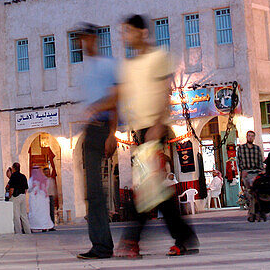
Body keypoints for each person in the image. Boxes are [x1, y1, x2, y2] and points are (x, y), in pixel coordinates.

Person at [116, 14, 198, 258]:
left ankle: (131, 240)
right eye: (123, 32)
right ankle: (185, 238)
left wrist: (159, 124)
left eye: (128, 31)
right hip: (140, 132)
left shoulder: (158, 58)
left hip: (154, 128)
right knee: (155, 191)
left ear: (142, 33)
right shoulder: (129, 66)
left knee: (146, 188)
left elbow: (165, 92)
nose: (125, 37)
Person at [73, 23, 117, 259]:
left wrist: (112, 133)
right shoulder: (88, 69)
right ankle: (100, 243)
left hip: (101, 128)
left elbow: (116, 99)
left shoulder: (107, 65)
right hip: (91, 130)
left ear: (93, 39)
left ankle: (102, 246)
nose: (82, 44)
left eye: (84, 39)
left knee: (95, 191)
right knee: (92, 191)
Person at [236, 130, 264, 221]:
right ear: (246, 137)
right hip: (247, 172)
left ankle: (254, 212)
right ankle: (253, 211)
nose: (250, 137)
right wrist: (242, 171)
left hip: (256, 172)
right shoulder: (241, 148)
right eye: (249, 136)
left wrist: (261, 171)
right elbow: (239, 160)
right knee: (249, 193)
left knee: (257, 193)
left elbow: (260, 160)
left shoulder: (257, 148)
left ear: (254, 138)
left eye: (252, 136)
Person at [28, 166, 55, 231]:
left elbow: (28, 189)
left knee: (36, 213)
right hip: (43, 199)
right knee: (44, 214)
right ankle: (44, 227)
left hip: (35, 200)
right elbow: (47, 188)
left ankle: (35, 227)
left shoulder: (31, 180)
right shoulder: (45, 179)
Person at [6, 162, 30, 233]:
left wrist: (9, 197)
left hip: (15, 196)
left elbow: (11, 189)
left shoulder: (13, 177)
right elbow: (26, 189)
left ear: (13, 168)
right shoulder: (23, 176)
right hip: (22, 196)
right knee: (24, 215)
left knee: (16, 216)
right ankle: (28, 231)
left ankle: (18, 232)